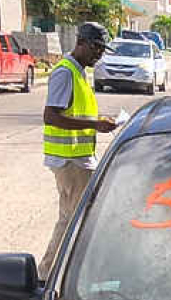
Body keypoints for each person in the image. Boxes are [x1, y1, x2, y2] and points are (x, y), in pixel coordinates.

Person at [39, 21, 119, 280]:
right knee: (71, 219)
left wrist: (98, 122)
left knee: (74, 218)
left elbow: (75, 112)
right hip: (70, 160)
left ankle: (58, 273)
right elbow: (51, 116)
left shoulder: (79, 71)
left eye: (102, 49)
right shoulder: (65, 72)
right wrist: (95, 124)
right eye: (96, 47)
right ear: (81, 43)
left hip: (79, 159)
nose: (99, 54)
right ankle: (47, 275)